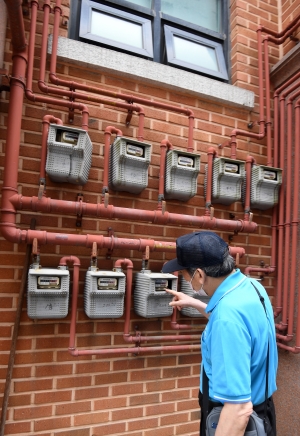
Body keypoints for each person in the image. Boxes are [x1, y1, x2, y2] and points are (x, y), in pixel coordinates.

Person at [162, 231, 278, 436]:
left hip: (233, 421)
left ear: (199, 275)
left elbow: (238, 410)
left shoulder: (227, 317)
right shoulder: (252, 287)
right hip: (264, 413)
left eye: (185, 274)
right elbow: (242, 329)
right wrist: (196, 303)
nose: (184, 279)